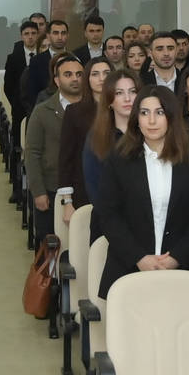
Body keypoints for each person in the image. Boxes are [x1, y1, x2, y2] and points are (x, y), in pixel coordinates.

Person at [89, 84, 189, 297]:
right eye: (144, 113)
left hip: (182, 269)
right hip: (128, 269)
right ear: (136, 119)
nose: (152, 121)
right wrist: (139, 257)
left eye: (159, 113)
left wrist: (177, 257)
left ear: (172, 117)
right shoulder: (118, 159)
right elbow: (109, 215)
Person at [25, 54, 85, 239]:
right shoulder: (43, 111)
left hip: (86, 188)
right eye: (68, 74)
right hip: (52, 189)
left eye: (79, 74)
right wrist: (38, 192)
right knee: (50, 243)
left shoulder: (96, 110)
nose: (75, 79)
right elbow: (32, 153)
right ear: (57, 80)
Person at [57, 57, 110, 208]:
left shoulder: (123, 110)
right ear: (87, 79)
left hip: (118, 189)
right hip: (84, 189)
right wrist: (67, 201)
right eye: (95, 74)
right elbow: (66, 159)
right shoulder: (74, 112)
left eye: (106, 73)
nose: (102, 79)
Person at [83, 68, 140, 204]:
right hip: (109, 212)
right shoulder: (97, 137)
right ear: (109, 100)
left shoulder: (150, 133)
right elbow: (95, 189)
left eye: (132, 91)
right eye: (119, 93)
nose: (127, 98)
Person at [2, 22, 42, 119]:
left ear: (38, 35)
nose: (30, 37)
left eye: (33, 33)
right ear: (21, 36)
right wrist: (15, 103)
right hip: (19, 108)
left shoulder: (44, 56)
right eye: (26, 34)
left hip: (41, 106)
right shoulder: (13, 58)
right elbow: (8, 86)